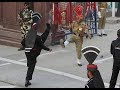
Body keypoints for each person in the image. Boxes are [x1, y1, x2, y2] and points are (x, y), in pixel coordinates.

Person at [24, 11, 52, 87]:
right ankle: (27, 80)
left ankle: (28, 74)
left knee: (30, 64)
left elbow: (22, 42)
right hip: (32, 53)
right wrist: (48, 49)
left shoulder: (29, 34)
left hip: (27, 52)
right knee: (31, 67)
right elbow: (42, 45)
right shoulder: (37, 37)